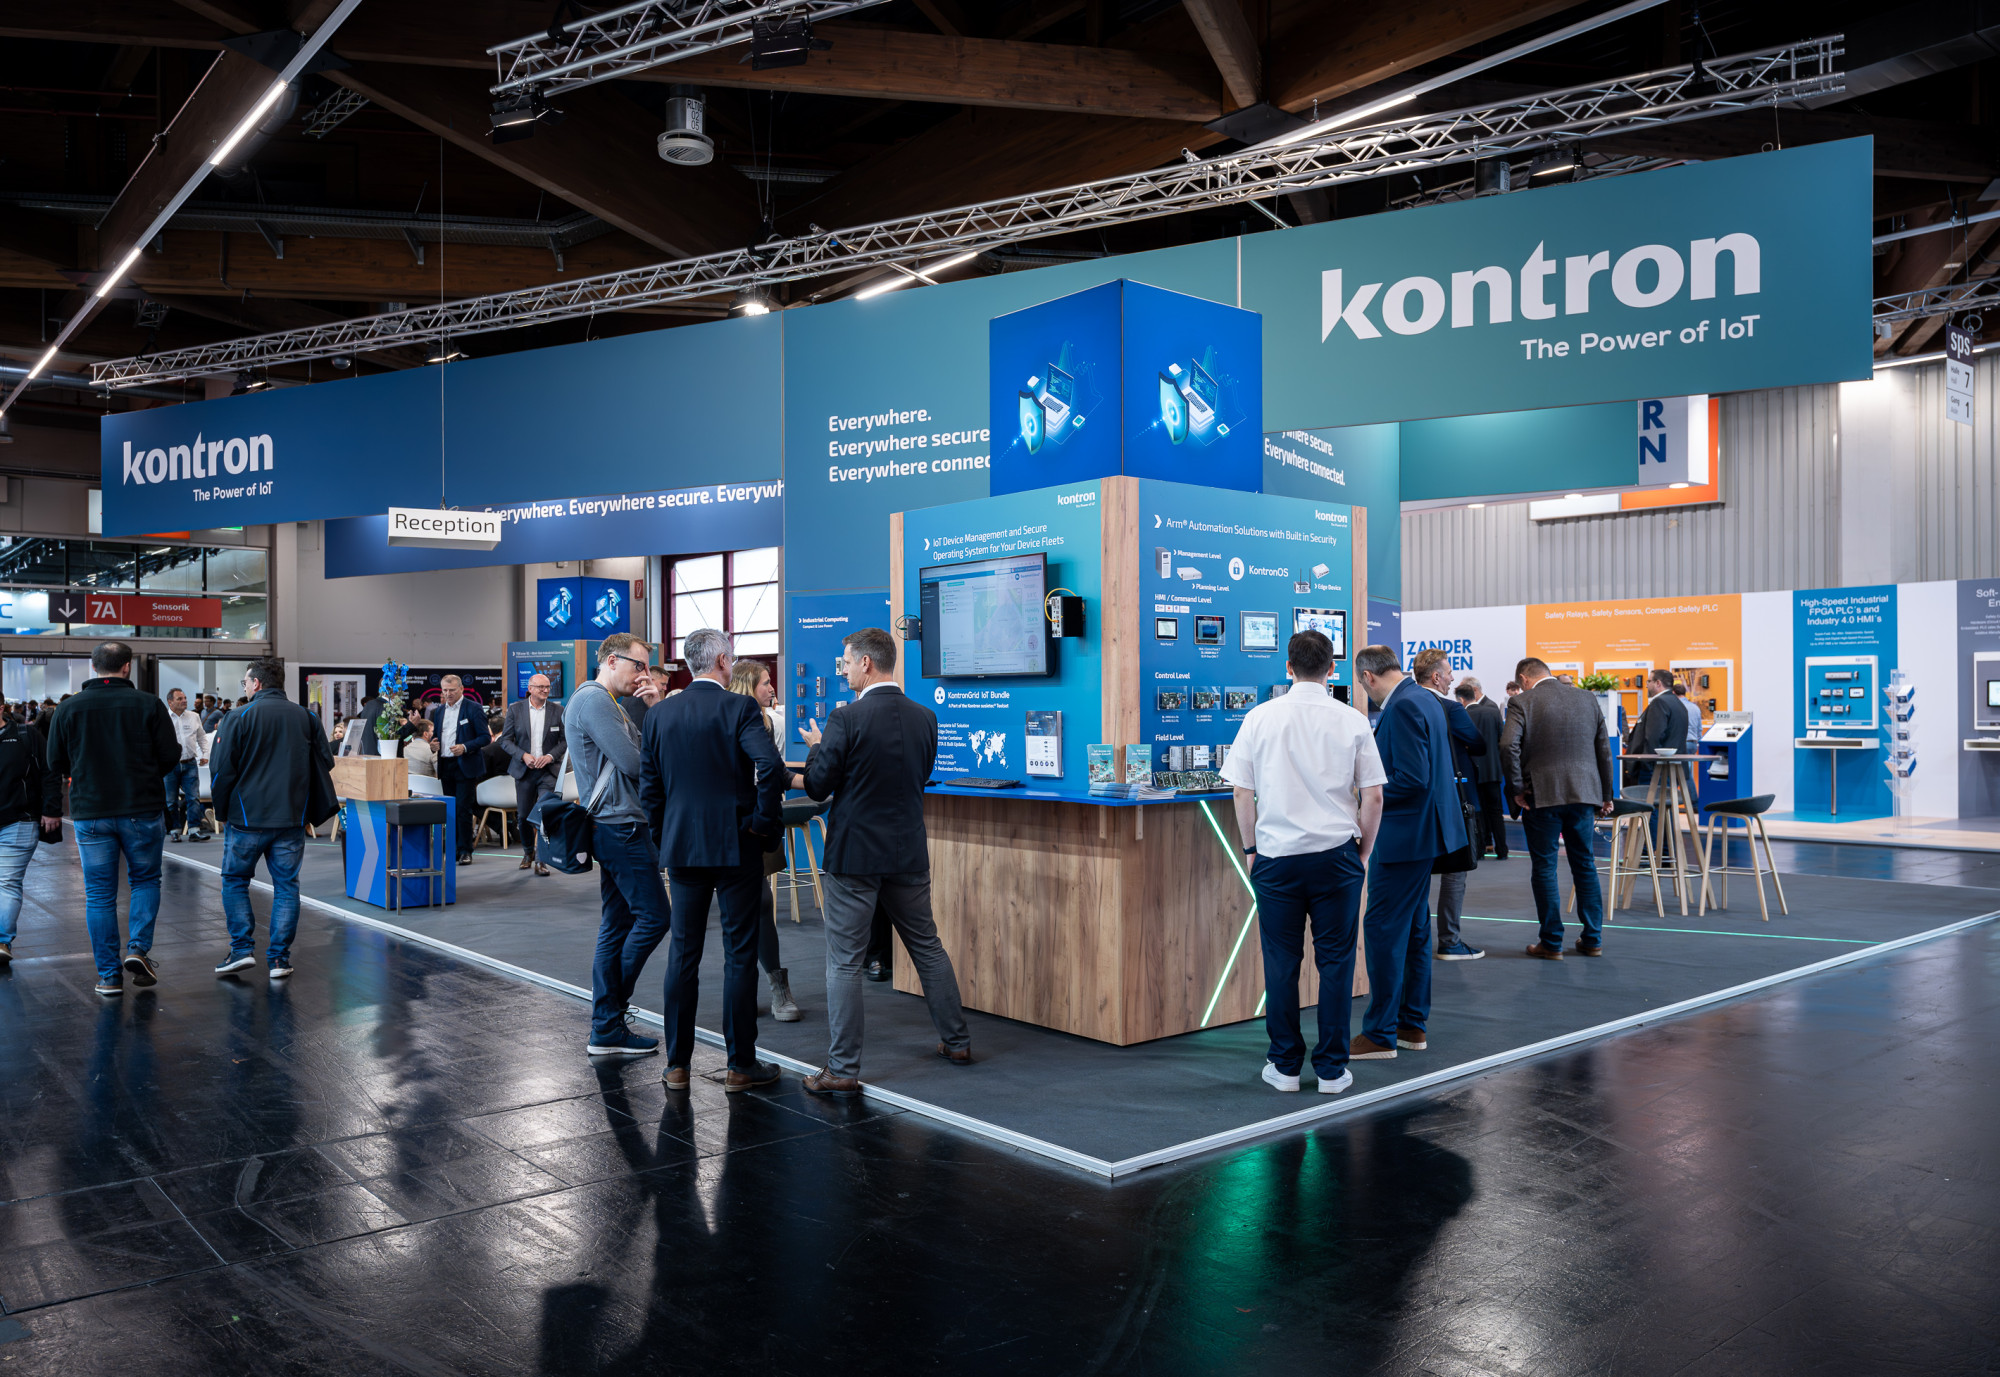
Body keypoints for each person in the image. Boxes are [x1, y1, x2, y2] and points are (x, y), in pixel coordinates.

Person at [798, 626, 971, 1096]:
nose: (845, 669)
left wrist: (816, 749)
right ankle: (956, 1042)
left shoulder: (844, 719)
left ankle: (842, 1068)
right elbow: (919, 775)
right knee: (927, 947)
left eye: (848, 662)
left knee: (845, 962)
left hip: (855, 856)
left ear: (867, 664)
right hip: (908, 851)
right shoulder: (925, 718)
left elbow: (817, 786)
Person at [1221, 629, 1384, 1095]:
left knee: (1281, 961)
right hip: (1337, 858)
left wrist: (1251, 850)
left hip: (1276, 858)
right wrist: (1364, 853)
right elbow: (1373, 796)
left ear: (1288, 668)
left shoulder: (1260, 717)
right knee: (1336, 964)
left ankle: (1286, 1066)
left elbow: (1241, 791)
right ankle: (1333, 1069)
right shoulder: (1352, 719)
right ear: (1332, 669)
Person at [640, 628, 787, 1092]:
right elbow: (771, 769)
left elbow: (651, 790)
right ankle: (741, 1064)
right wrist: (763, 823)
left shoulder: (660, 715)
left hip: (683, 848)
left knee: (682, 954)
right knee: (739, 956)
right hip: (736, 844)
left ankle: (676, 1066)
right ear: (723, 661)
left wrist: (667, 837)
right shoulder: (740, 707)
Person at [43, 641, 181, 996]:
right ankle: (137, 950)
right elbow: (170, 756)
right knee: (146, 880)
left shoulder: (68, 708)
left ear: (93, 667)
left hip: (91, 812)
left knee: (100, 896)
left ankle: (109, 977)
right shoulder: (149, 704)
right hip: (142, 809)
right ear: (127, 667)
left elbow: (54, 762)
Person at [1351, 644, 1464, 1060]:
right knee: (1416, 930)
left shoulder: (1400, 707)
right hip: (1425, 835)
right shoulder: (1424, 698)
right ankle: (1411, 1025)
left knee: (1382, 927)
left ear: (1368, 677)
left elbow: (1411, 779)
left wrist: (1363, 795)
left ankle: (1380, 1033)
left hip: (1404, 838)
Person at [566, 631, 668, 1060]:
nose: (643, 674)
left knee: (617, 925)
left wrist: (650, 712)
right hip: (620, 827)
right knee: (655, 918)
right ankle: (608, 1016)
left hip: (617, 824)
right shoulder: (593, 701)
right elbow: (634, 762)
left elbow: (641, 751)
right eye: (637, 665)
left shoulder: (607, 703)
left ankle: (606, 1026)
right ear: (610, 660)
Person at [208, 658, 335, 980]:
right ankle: (279, 960)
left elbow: (221, 770)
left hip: (245, 818)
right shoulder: (306, 717)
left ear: (257, 683)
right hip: (292, 819)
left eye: (245, 682)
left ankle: (241, 951)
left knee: (235, 881)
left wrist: (221, 812)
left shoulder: (238, 716)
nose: (245, 687)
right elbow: (326, 762)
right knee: (286, 887)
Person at [1503, 657, 1617, 959]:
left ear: (1524, 679)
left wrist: (1516, 789)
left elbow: (1507, 746)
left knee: (1545, 867)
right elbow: (1603, 749)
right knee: (1585, 864)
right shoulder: (1586, 698)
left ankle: (1551, 943)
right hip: (1584, 794)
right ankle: (1593, 939)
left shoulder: (1522, 702)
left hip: (1542, 795)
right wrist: (1606, 794)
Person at [727, 657, 804, 1021]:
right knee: (743, 908)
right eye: (765, 683)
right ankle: (743, 989)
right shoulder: (726, 719)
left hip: (761, 825)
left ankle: (777, 986)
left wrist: (815, 780)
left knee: (760, 904)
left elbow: (777, 773)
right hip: (730, 826)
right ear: (746, 686)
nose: (772, 688)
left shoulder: (771, 721)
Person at [1413, 650, 1484, 962]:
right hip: (1450, 801)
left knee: (1417, 873)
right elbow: (1478, 743)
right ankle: (1450, 941)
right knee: (1455, 872)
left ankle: (1415, 942)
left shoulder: (1406, 703)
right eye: (1449, 672)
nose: (1453, 678)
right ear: (1436, 676)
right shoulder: (1450, 709)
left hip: (1415, 802)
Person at [0, 707, 63, 966]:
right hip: (18, 819)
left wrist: (51, 810)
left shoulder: (26, 735)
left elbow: (49, 771)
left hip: (19, 821)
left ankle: (2, 940)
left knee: (7, 882)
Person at [499, 673, 565, 876]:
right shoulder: (515, 709)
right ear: (530, 688)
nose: (545, 690)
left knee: (545, 815)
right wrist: (523, 756)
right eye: (541, 687)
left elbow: (565, 741)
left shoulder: (558, 710)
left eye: (547, 687)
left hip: (548, 772)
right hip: (524, 771)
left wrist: (550, 756)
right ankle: (528, 853)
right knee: (524, 816)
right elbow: (505, 740)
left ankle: (541, 859)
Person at [429, 675, 491, 864]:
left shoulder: (474, 708)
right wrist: (433, 745)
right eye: (445, 690)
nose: (448, 694)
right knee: (450, 810)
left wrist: (465, 747)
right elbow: (436, 738)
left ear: (461, 689)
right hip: (445, 765)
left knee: (463, 809)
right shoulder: (438, 712)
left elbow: (485, 738)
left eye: (452, 690)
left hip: (466, 764)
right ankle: (453, 848)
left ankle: (466, 850)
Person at [1457, 678, 1509, 860]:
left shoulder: (1462, 715)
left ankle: (1478, 851)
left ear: (1461, 700)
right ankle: (1502, 850)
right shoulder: (1493, 712)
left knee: (1476, 811)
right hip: (1493, 771)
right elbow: (1502, 740)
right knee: (1496, 811)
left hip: (1472, 772)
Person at [162, 687, 211, 843]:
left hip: (190, 762)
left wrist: (205, 754)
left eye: (184, 698)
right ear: (170, 702)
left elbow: (202, 738)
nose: (184, 701)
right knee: (171, 800)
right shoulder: (163, 718)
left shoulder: (194, 716)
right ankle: (174, 830)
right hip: (170, 765)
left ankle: (194, 830)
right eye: (179, 699)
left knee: (193, 798)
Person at [1628, 668, 1690, 789]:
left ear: (1658, 683)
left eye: (1649, 681)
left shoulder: (1659, 703)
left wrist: (1647, 765)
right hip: (1672, 767)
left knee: (1651, 805)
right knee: (1667, 804)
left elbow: (1653, 737)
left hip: (1656, 769)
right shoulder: (1678, 704)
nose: (1646, 686)